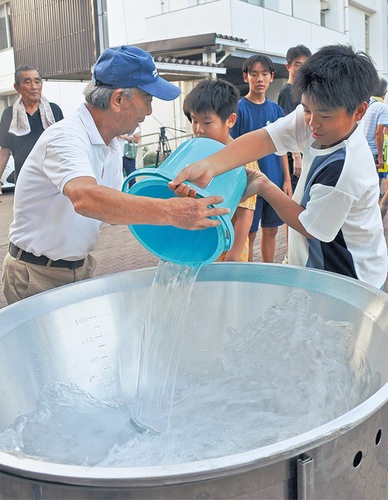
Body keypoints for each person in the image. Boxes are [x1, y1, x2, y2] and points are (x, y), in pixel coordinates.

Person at [2, 46, 229, 304]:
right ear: (118, 99)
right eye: (148, 98)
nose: (150, 111)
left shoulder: (110, 144)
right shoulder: (65, 137)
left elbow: (113, 206)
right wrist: (171, 211)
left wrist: (172, 194)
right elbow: (85, 198)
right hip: (36, 274)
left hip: (79, 267)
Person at [170, 44, 387, 290]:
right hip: (317, 264)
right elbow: (265, 138)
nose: (312, 123)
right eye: (306, 110)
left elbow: (309, 226)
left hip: (351, 277)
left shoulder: (347, 169)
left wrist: (265, 186)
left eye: (324, 116)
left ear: (359, 111)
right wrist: (209, 165)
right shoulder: (316, 115)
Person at [183, 78, 259, 261]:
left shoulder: (244, 159)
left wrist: (233, 257)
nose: (198, 129)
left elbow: (244, 216)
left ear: (230, 120)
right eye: (194, 121)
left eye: (207, 123)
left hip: (227, 252)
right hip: (198, 248)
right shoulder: (194, 153)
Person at [231, 54, 292, 262]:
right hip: (247, 183)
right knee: (249, 232)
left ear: (271, 77)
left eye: (264, 74)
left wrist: (286, 179)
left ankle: (268, 269)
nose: (260, 79)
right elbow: (232, 148)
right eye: (254, 74)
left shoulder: (277, 110)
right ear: (246, 76)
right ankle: (248, 270)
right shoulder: (238, 109)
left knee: (271, 229)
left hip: (273, 180)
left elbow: (282, 147)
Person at [0, 66, 64, 194]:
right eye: (27, 82)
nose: (34, 86)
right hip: (24, 184)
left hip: (53, 181)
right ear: (17, 87)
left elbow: (64, 145)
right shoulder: (9, 115)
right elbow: (5, 151)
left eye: (37, 81)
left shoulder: (54, 111)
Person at [278, 44, 312, 192]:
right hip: (294, 155)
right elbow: (289, 125)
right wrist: (297, 158)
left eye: (305, 65)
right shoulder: (287, 91)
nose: (301, 69)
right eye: (297, 64)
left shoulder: (302, 91)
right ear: (288, 67)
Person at [363, 77, 388, 193]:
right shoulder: (382, 107)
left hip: (362, 148)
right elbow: (379, 132)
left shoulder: (366, 104)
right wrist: (380, 157)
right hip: (373, 151)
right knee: (374, 184)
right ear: (384, 92)